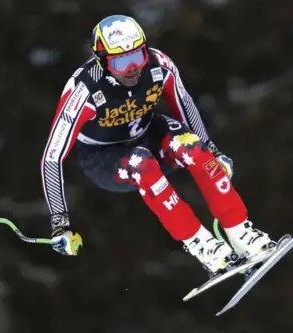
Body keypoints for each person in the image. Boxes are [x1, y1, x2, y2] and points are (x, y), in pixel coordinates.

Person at [40, 14, 276, 276]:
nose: (132, 68)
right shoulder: (84, 90)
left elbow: (184, 104)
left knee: (195, 150)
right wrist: (60, 223)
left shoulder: (159, 65)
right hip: (103, 156)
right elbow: (52, 157)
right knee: (142, 164)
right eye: (121, 61)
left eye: (137, 56)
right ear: (104, 61)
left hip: (147, 130)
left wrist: (213, 151)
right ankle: (204, 246)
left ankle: (242, 233)